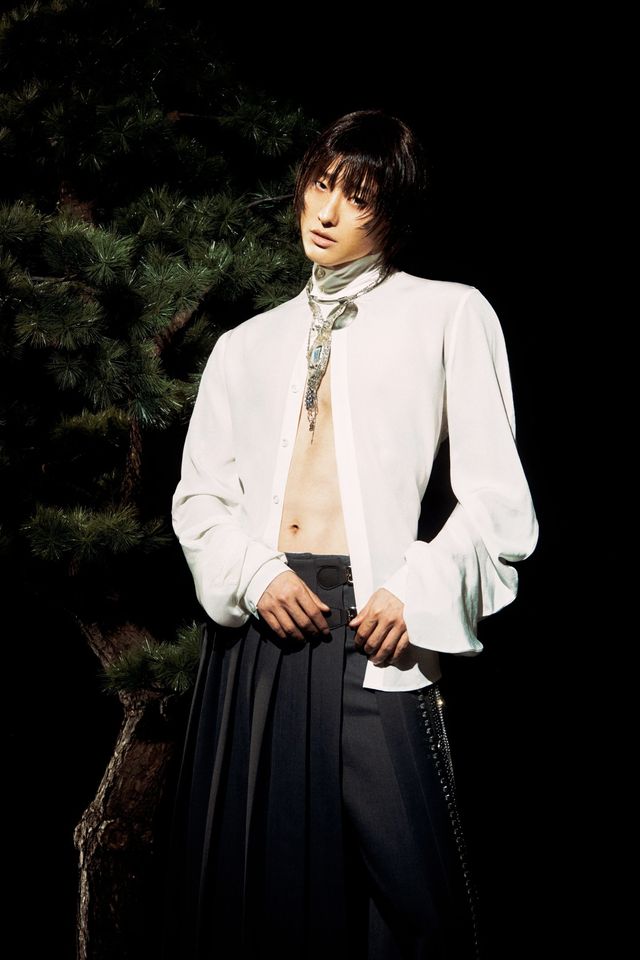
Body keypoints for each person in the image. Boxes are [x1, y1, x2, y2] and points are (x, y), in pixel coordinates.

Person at [164, 109, 539, 959]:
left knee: (420, 906)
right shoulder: (244, 345)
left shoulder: (449, 314)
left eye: (357, 196)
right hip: (262, 624)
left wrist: (419, 589)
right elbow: (200, 497)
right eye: (321, 184)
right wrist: (253, 574)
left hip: (374, 623)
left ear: (392, 211)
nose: (327, 212)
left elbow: (497, 500)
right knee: (258, 894)